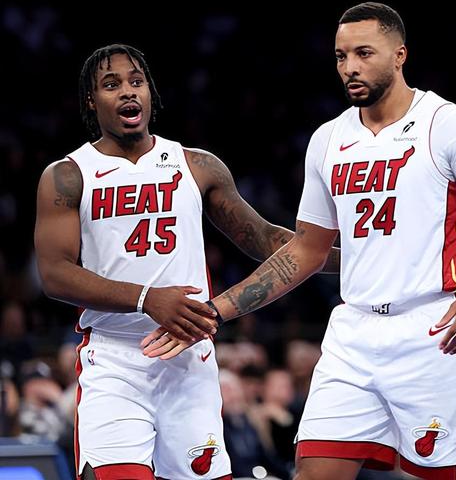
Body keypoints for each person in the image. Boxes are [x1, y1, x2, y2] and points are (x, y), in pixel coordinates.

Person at [145, 2, 456, 480]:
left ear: (399, 55)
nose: (350, 67)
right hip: (353, 332)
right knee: (313, 471)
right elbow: (304, 251)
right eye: (341, 56)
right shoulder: (328, 139)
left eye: (364, 53)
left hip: (435, 328)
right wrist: (214, 312)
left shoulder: (446, 124)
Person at [34, 44, 339, 480]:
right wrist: (147, 298)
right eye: (112, 84)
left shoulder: (197, 166)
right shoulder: (68, 175)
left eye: (136, 81)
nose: (128, 92)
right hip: (115, 359)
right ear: (91, 100)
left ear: (150, 93)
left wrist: (359, 257)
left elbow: (265, 239)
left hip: (188, 355)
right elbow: (55, 274)